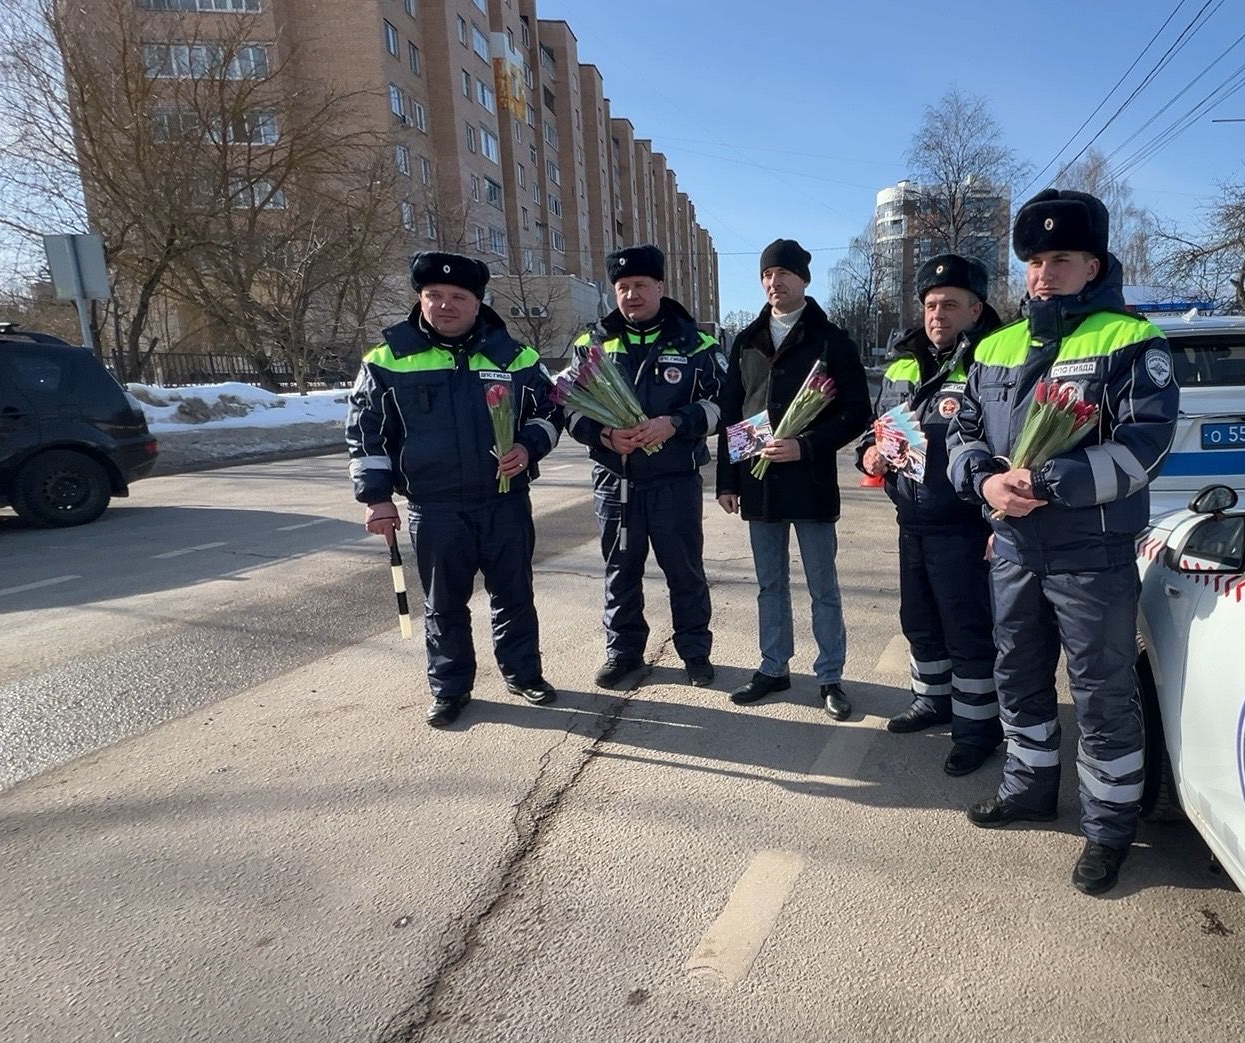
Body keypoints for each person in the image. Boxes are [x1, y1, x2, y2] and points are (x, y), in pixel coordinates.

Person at [946, 190, 1177, 895]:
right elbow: (962, 434)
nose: (1044, 273)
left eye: (1061, 259)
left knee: (1103, 692)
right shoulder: (991, 346)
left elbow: (1147, 446)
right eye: (1035, 261)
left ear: (1094, 264)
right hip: (1013, 548)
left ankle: (1109, 829)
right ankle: (1029, 787)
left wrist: (1048, 480)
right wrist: (984, 483)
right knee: (1018, 674)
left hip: (1092, 553)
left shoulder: (1131, 339)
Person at [347, 251, 561, 727]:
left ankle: (523, 673)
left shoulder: (514, 356)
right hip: (435, 507)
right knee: (443, 604)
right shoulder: (387, 359)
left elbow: (550, 411)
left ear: (477, 300)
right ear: (420, 298)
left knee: (515, 594)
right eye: (434, 295)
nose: (446, 305)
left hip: (504, 500)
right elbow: (365, 433)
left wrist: (527, 448)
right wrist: (376, 497)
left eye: (458, 296)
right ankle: (450, 687)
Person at [854, 254, 1003, 775]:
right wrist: (869, 456)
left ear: (975, 308)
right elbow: (878, 430)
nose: (937, 314)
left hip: (965, 524)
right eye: (930, 304)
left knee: (968, 629)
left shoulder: (991, 360)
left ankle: (978, 728)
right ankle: (932, 699)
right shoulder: (901, 363)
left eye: (950, 305)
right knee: (919, 621)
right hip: (911, 519)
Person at [716, 239, 873, 720]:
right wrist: (727, 479)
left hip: (810, 481)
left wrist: (804, 445)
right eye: (767, 274)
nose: (773, 282)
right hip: (759, 484)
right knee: (769, 583)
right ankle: (773, 668)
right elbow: (732, 412)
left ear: (804, 279)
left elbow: (856, 413)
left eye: (784, 273)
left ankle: (830, 676)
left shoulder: (831, 340)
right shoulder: (746, 340)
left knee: (822, 585)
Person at [563, 244, 724, 690]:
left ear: (659, 286)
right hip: (616, 481)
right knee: (620, 570)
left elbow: (722, 406)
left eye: (640, 285)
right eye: (622, 287)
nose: (631, 295)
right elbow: (568, 407)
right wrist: (603, 436)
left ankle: (695, 650)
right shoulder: (591, 344)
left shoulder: (696, 344)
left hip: (675, 480)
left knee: (684, 570)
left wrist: (676, 423)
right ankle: (623, 651)